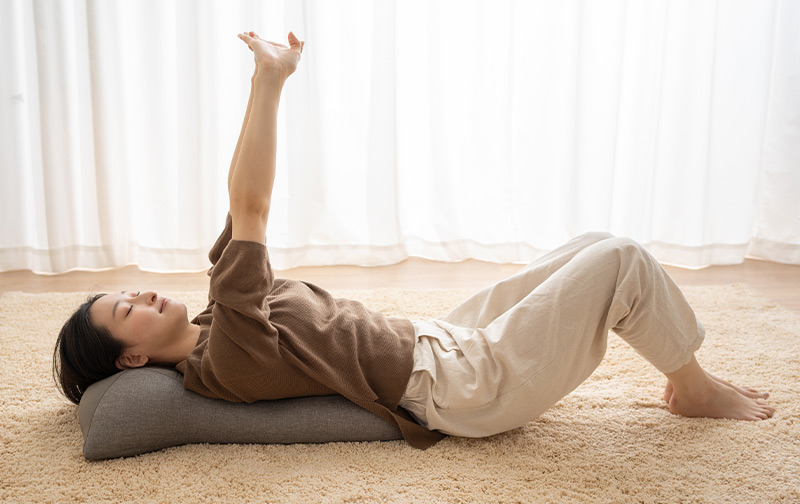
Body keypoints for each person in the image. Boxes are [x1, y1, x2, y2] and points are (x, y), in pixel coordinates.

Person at [52, 31, 775, 450]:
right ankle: (694, 386)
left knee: (597, 241)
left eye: (128, 292)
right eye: (127, 308)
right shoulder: (227, 352)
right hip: (467, 387)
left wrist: (259, 82)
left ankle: (688, 371)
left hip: (442, 341)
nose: (142, 292)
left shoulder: (217, 318)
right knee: (621, 262)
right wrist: (270, 82)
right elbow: (251, 204)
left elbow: (235, 198)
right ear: (134, 356)